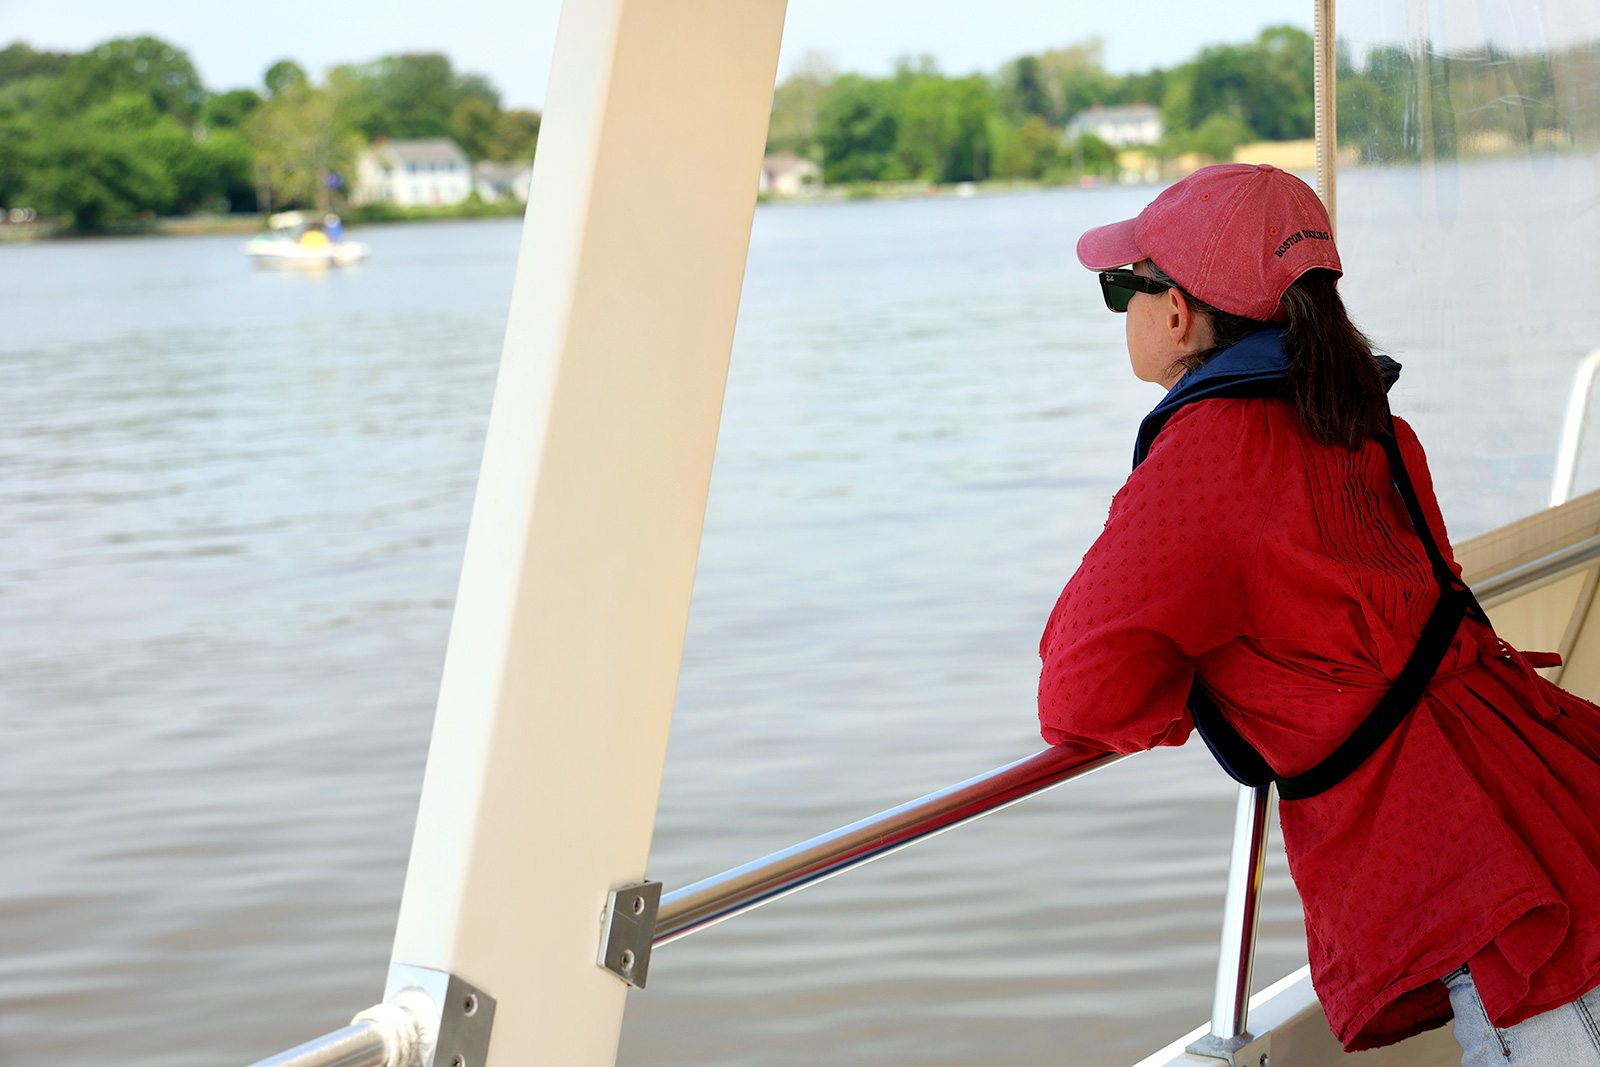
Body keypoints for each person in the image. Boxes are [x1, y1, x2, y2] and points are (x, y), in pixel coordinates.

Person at [1037, 163, 1600, 1065]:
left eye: (1120, 288)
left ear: (1175, 309)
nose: (1123, 310)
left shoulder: (1212, 453)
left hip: (1517, 908)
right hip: (1552, 801)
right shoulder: (1371, 418)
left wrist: (1211, 679)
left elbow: (1085, 688)